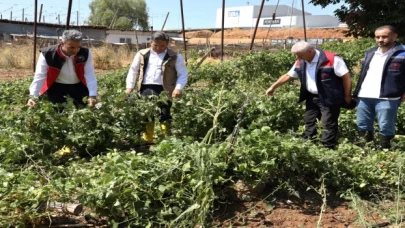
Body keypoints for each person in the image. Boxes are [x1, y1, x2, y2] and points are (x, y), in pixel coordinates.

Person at [265, 41, 352, 149]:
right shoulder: (301, 61)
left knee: (328, 123)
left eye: (300, 55)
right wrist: (273, 87)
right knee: (310, 121)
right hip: (312, 96)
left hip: (330, 96)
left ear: (310, 51)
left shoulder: (332, 59)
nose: (298, 58)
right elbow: (289, 75)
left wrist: (347, 95)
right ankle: (308, 145)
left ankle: (328, 148)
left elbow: (346, 77)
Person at [125, 31, 188, 143]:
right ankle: (147, 140)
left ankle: (166, 140)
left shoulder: (174, 56)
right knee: (147, 114)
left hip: (165, 89)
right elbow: (133, 71)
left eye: (162, 46)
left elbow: (182, 74)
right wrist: (129, 87)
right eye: (155, 45)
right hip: (146, 87)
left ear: (167, 44)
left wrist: (178, 88)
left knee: (164, 113)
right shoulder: (142, 54)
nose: (158, 48)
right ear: (151, 43)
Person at [353, 25, 405, 149]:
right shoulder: (370, 52)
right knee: (363, 124)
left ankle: (385, 152)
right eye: (377, 37)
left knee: (386, 126)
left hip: (388, 97)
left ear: (394, 36)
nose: (380, 39)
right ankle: (365, 151)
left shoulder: (402, 52)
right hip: (365, 95)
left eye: (384, 36)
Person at [27, 29, 98, 108]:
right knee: (58, 112)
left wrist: (92, 95)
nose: (76, 50)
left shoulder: (86, 53)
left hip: (79, 86)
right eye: (71, 47)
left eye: (78, 47)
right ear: (62, 43)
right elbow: (40, 76)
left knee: (83, 109)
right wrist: (33, 97)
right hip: (57, 87)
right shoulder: (48, 54)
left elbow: (89, 74)